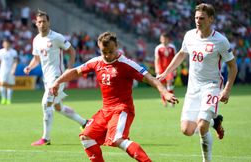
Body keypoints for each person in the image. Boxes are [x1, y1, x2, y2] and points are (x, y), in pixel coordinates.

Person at [50, 32, 179, 162]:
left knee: (118, 139)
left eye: (111, 51)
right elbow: (76, 72)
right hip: (105, 111)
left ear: (117, 46)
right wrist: (57, 82)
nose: (107, 55)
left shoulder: (127, 64)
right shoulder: (97, 62)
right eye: (103, 52)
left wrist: (165, 92)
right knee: (86, 137)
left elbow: (150, 78)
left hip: (122, 109)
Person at [157, 3, 238, 162]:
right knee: (187, 130)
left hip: (212, 87)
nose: (198, 21)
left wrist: (226, 90)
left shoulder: (220, 41)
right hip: (193, 88)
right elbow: (181, 54)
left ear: (211, 19)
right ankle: (215, 122)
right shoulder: (189, 36)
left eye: (202, 18)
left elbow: (233, 66)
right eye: (196, 18)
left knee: (201, 126)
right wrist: (166, 72)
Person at [23, 10, 88, 146]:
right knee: (58, 107)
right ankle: (85, 123)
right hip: (47, 79)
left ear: (49, 22)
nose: (42, 24)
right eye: (39, 22)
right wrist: (29, 67)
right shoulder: (36, 40)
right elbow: (36, 59)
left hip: (57, 77)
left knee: (45, 104)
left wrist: (69, 69)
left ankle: (45, 138)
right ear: (36, 23)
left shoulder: (57, 37)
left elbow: (72, 51)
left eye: (44, 21)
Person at [154, 32, 177, 107]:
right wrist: (157, 69)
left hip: (169, 69)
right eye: (161, 39)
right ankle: (164, 101)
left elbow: (175, 58)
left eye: (164, 38)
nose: (163, 40)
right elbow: (157, 59)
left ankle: (171, 100)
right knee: (162, 86)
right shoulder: (158, 48)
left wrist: (175, 69)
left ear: (167, 39)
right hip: (161, 70)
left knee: (169, 84)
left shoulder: (172, 47)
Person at [0, 38, 18, 105]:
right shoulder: (0, 52)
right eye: (4, 43)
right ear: (3, 44)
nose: (5, 44)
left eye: (7, 43)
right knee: (2, 84)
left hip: (10, 71)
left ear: (9, 44)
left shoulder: (14, 52)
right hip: (2, 70)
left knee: (10, 85)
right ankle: (3, 98)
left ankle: (9, 100)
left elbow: (15, 62)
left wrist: (13, 69)